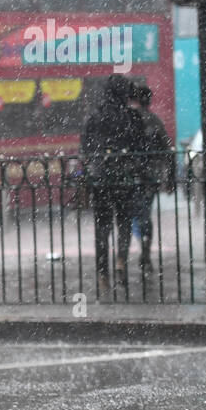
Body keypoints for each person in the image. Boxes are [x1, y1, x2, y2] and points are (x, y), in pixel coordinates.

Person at [81, 74, 145, 294]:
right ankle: (120, 260)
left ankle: (102, 274)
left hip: (101, 177)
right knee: (125, 221)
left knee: (102, 226)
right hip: (124, 175)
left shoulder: (95, 117)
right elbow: (140, 147)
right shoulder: (131, 117)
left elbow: (86, 147)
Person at [128, 83, 173, 274]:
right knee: (146, 211)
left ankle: (143, 245)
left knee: (138, 213)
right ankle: (146, 246)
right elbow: (167, 149)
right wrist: (168, 176)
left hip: (133, 173)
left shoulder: (129, 120)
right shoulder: (155, 121)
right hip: (151, 175)